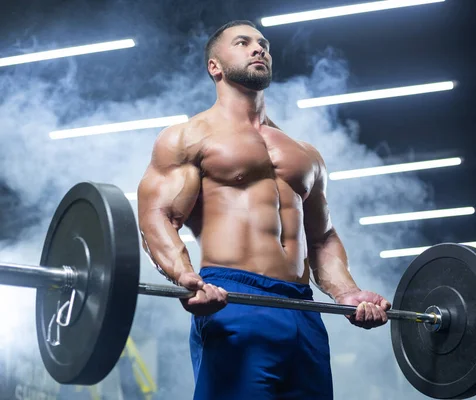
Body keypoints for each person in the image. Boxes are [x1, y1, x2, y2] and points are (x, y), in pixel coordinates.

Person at [137, 20, 392, 400]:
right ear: (215, 66)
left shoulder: (304, 153)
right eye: (243, 43)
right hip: (234, 298)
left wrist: (348, 293)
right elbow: (158, 216)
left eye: (263, 43)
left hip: (303, 310)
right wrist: (185, 275)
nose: (258, 49)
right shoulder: (189, 136)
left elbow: (321, 237)